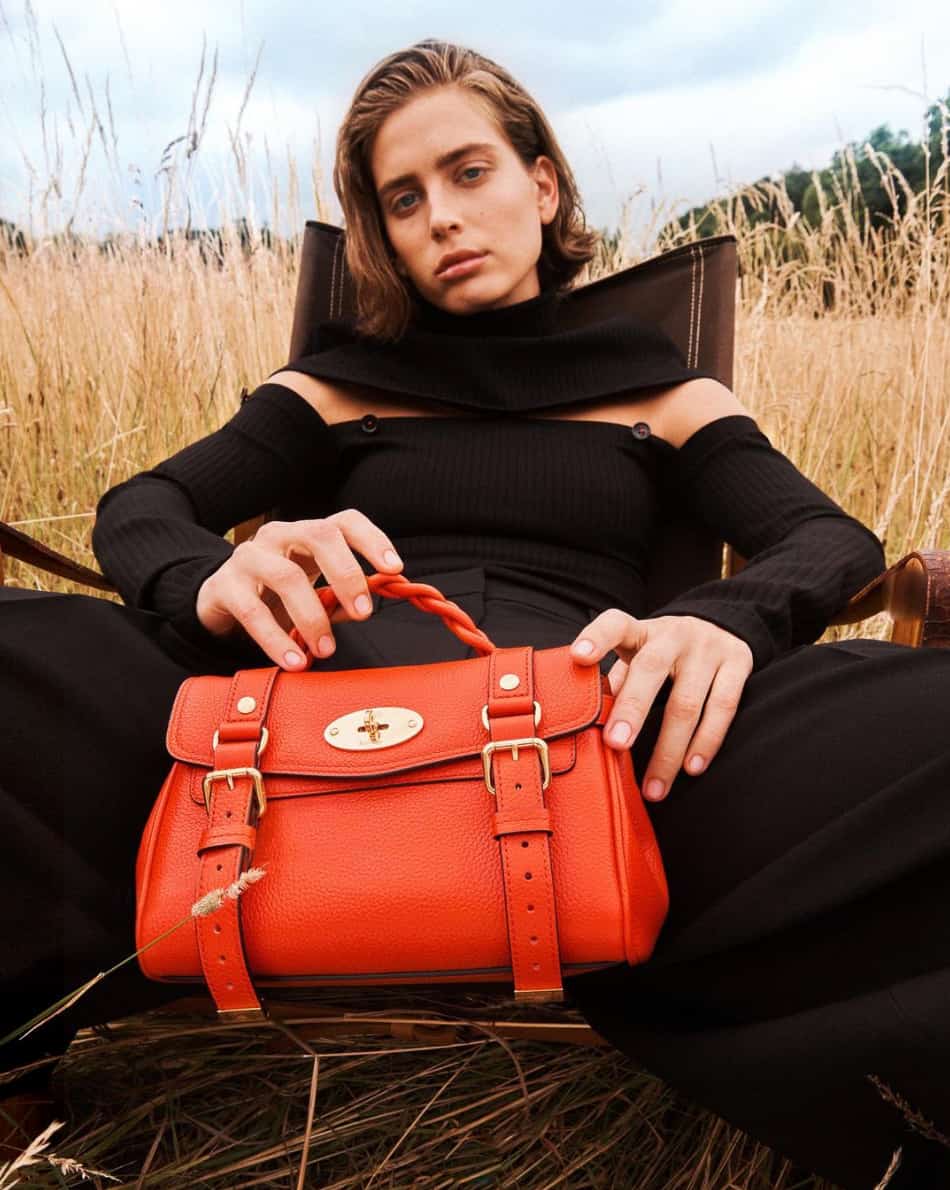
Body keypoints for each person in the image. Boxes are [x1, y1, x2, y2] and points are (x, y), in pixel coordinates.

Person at [1, 36, 948, 1188]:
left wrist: (725, 618)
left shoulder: (662, 391)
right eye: (402, 200)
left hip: (588, 740)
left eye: (468, 172)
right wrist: (210, 570)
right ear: (382, 237)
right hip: (304, 733)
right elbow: (145, 502)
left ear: (541, 185)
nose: (440, 217)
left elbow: (824, 539)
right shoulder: (330, 386)